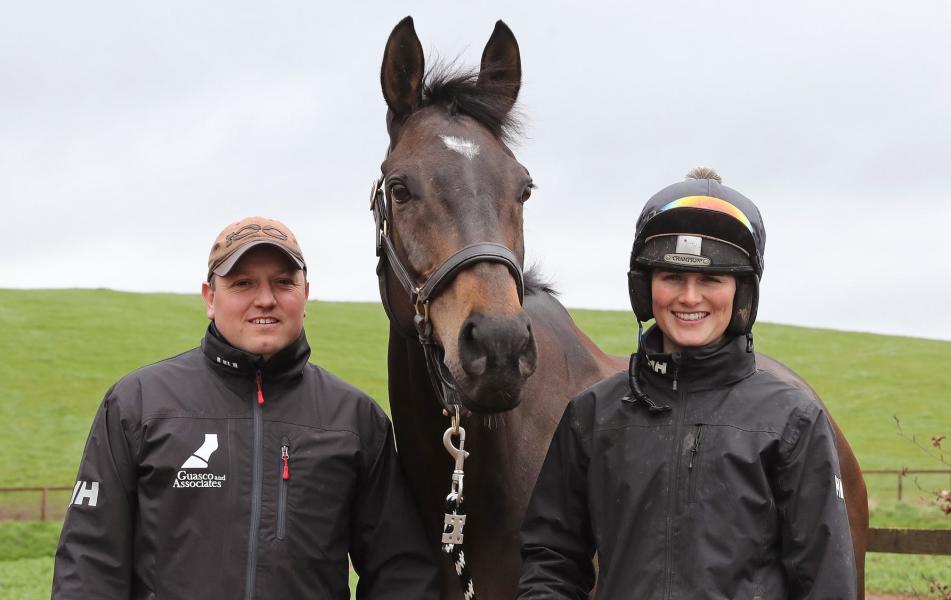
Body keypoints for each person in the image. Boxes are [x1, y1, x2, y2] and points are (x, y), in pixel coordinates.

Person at [52, 216, 439, 599]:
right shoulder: (137, 403)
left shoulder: (356, 420)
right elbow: (90, 561)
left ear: (306, 293)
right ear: (210, 297)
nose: (265, 299)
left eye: (284, 282)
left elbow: (400, 571)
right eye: (243, 283)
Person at [517, 169, 856, 599]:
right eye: (672, 277)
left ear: (742, 295)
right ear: (645, 288)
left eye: (711, 279)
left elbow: (826, 582)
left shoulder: (791, 422)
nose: (689, 297)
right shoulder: (593, 417)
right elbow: (552, 558)